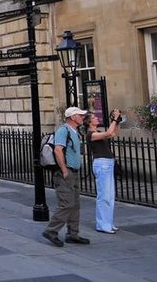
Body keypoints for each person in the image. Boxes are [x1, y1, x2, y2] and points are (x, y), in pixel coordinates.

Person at [42, 106, 90, 247]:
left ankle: (73, 234)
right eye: (80, 115)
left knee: (75, 205)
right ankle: (51, 231)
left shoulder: (75, 131)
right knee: (66, 204)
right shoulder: (63, 130)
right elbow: (58, 150)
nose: (82, 117)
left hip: (73, 171)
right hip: (65, 172)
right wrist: (64, 170)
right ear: (72, 117)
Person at [87, 108, 122, 234]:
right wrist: (113, 119)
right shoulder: (91, 134)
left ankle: (108, 222)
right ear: (90, 122)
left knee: (110, 195)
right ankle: (102, 224)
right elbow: (108, 133)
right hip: (102, 164)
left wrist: (117, 121)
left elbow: (113, 133)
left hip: (107, 163)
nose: (97, 118)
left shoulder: (98, 132)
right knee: (104, 196)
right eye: (94, 118)